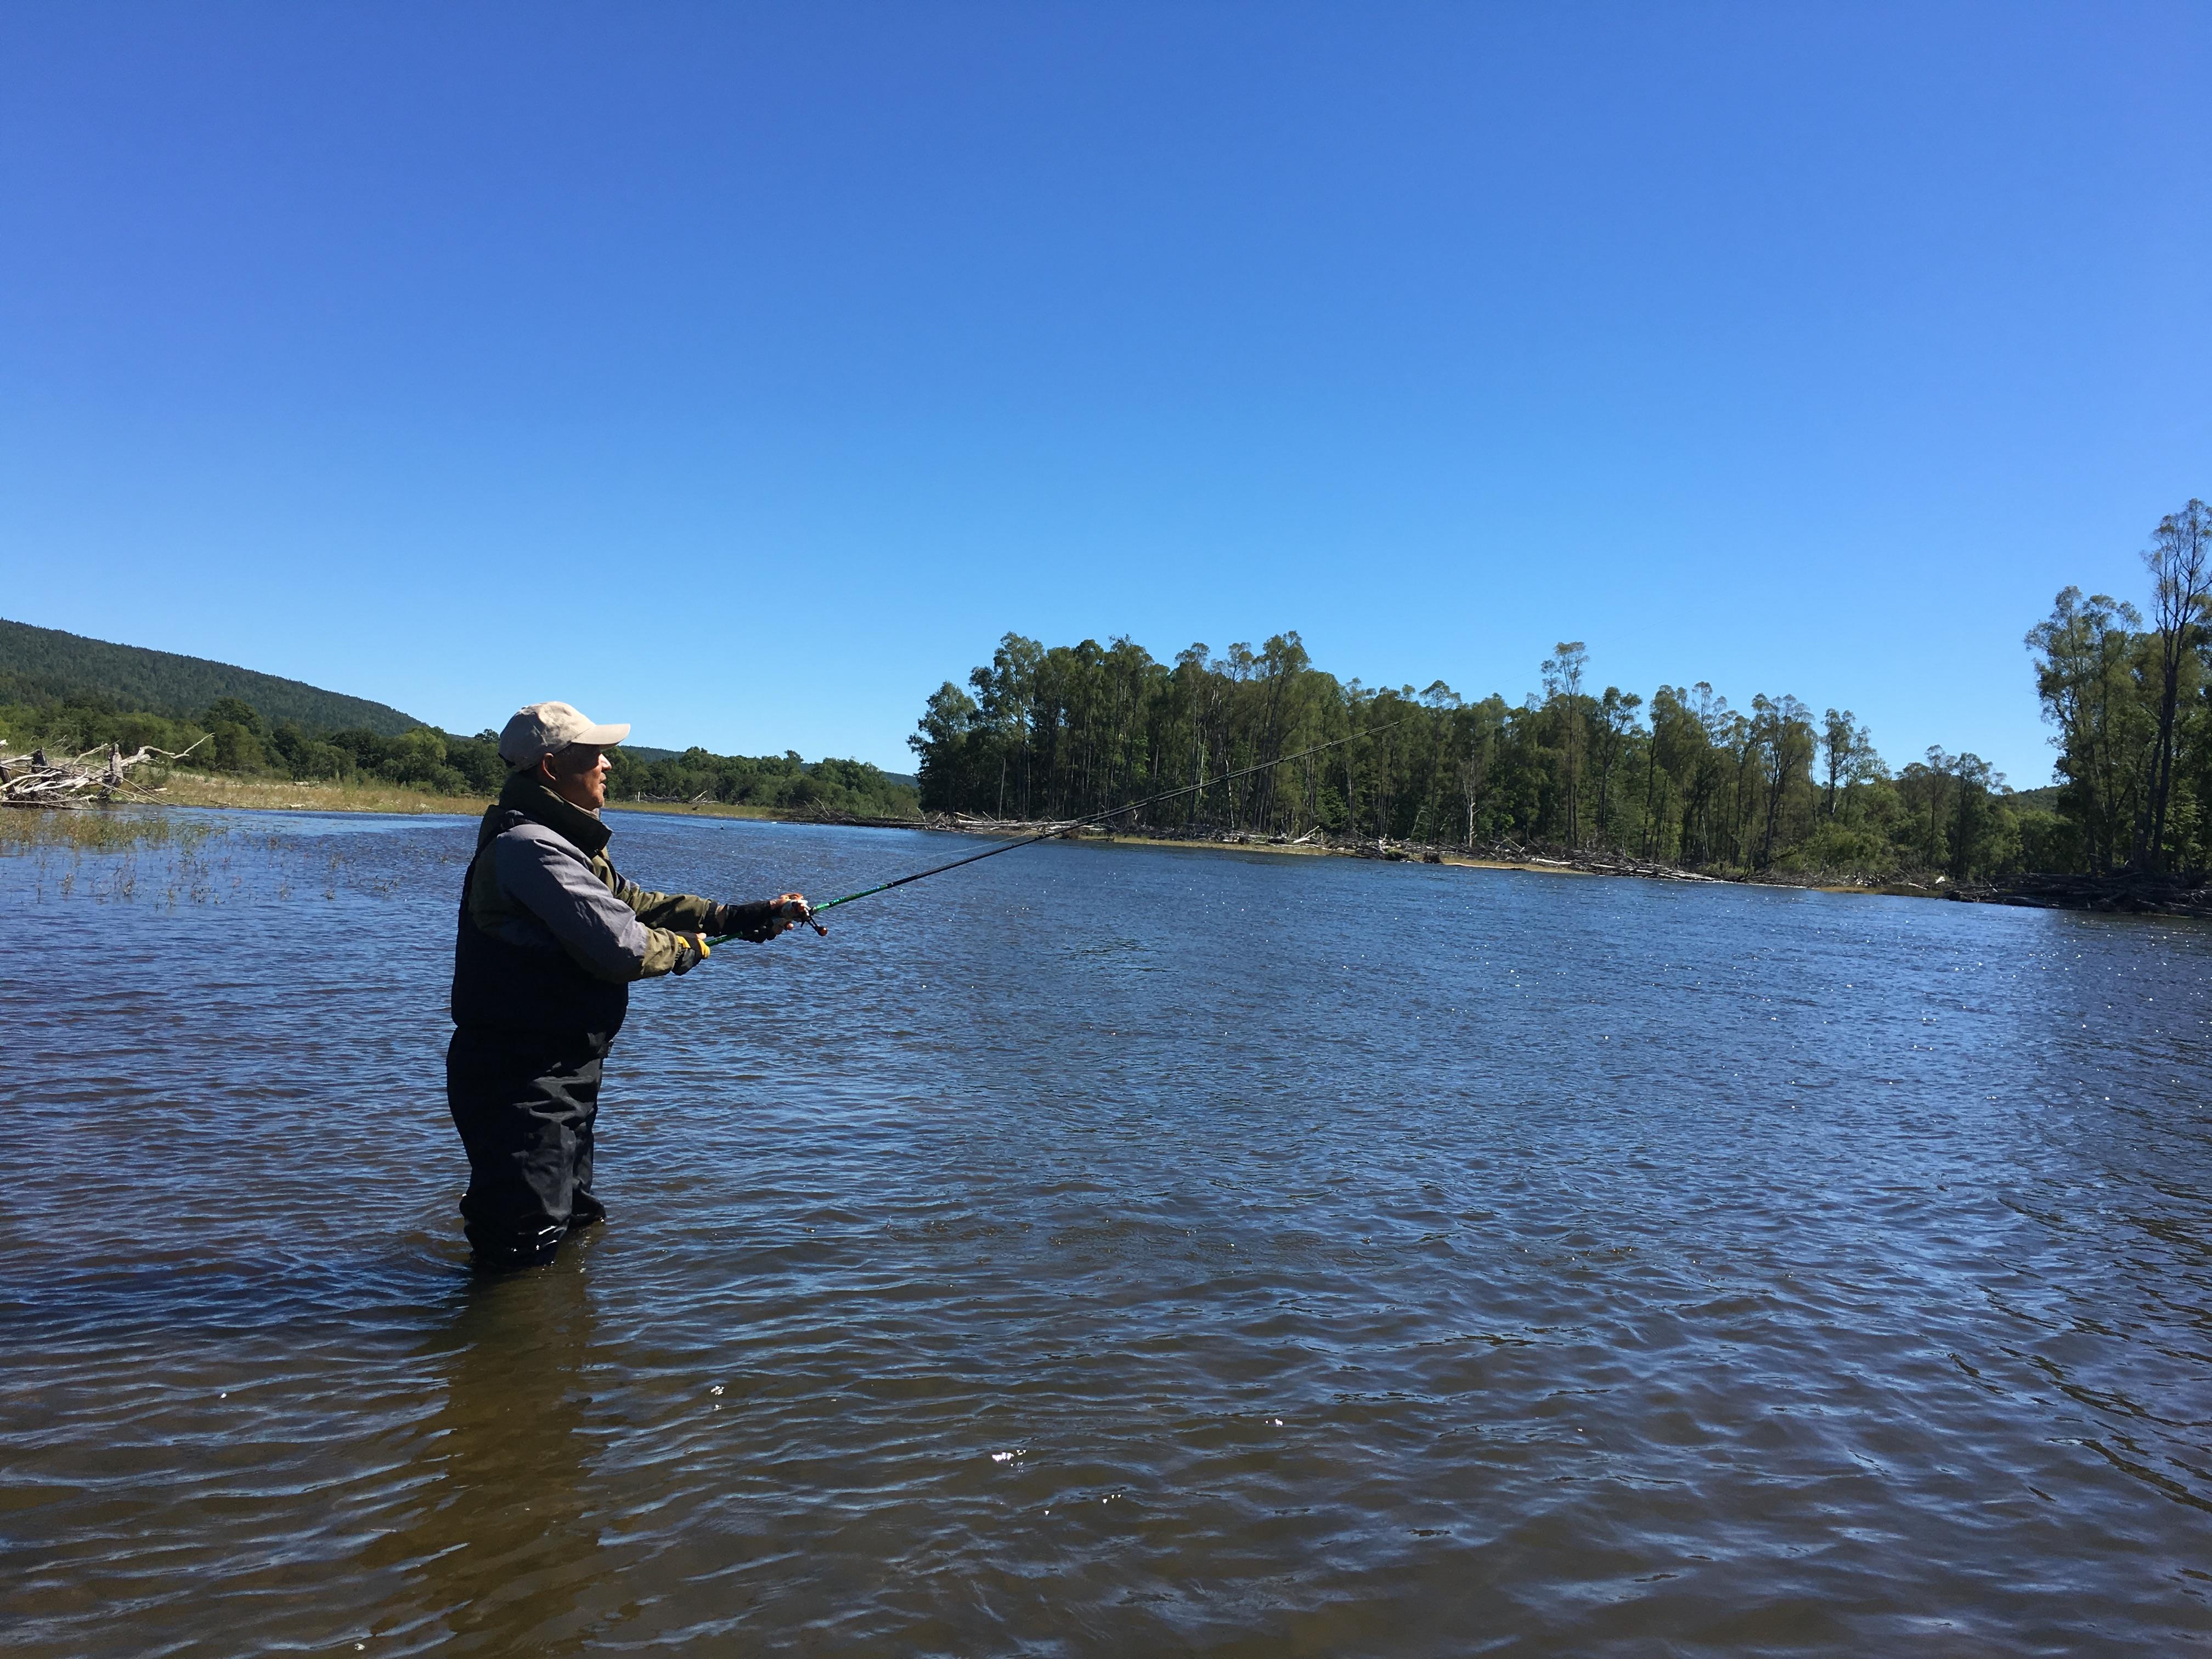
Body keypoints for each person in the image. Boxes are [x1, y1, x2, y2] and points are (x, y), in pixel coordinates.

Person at [447, 700, 807, 1269]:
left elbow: (634, 904)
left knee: (574, 1228)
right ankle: (493, 1349)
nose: (608, 764)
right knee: (521, 1253)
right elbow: (622, 945)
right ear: (549, 768)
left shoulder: (565, 841)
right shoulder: (531, 849)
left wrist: (737, 916)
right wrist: (688, 950)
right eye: (595, 753)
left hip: (560, 1076)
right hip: (520, 1082)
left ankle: (555, 1348)